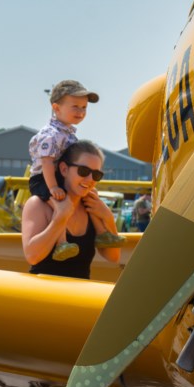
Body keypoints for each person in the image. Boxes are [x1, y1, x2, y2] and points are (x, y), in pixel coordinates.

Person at [19, 140, 121, 387]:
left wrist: (108, 217)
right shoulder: (38, 204)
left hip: (74, 317)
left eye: (97, 175)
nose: (90, 179)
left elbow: (113, 256)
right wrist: (59, 217)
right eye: (84, 171)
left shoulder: (91, 208)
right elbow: (32, 255)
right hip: (42, 313)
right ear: (63, 168)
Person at [28, 81, 123, 261]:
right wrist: (54, 187)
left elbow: (114, 258)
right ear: (56, 108)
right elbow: (47, 163)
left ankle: (103, 234)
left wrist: (108, 217)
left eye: (84, 108)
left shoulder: (69, 134)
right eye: (75, 107)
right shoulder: (51, 134)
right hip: (44, 178)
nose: (80, 112)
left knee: (91, 197)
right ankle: (61, 242)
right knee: (61, 205)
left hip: (57, 178)